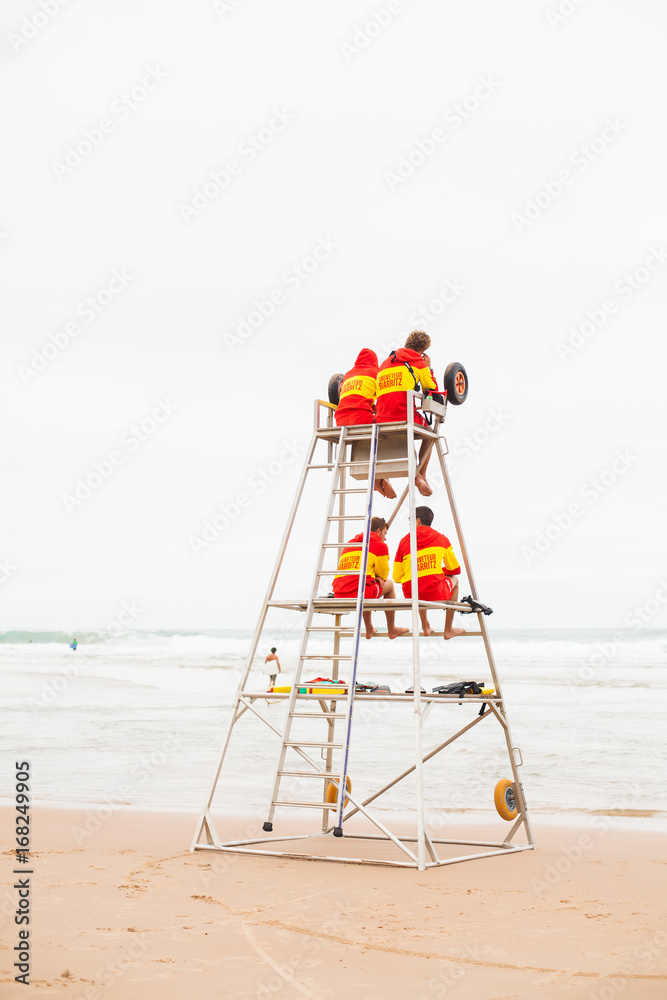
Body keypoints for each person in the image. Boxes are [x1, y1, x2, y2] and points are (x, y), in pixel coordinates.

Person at [376, 330, 439, 497]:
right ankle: (420, 475)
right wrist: (428, 368)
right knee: (429, 433)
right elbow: (432, 390)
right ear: (422, 350)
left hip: (380, 418)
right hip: (404, 416)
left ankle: (385, 478)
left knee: (396, 433)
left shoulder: (386, 362)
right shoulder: (418, 362)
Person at [393, 506, 466, 639]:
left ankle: (425, 626)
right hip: (435, 592)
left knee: (419, 581)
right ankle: (448, 629)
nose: (409, 524)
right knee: (454, 579)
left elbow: (397, 577)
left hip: (411, 593)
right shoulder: (442, 539)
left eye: (410, 520)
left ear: (418, 521)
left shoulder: (403, 542)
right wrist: (440, 571)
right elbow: (455, 570)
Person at [332, 516, 409, 640]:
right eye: (385, 533)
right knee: (389, 585)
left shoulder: (350, 543)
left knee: (364, 584)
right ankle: (392, 629)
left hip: (339, 594)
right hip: (357, 593)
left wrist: (372, 577)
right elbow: (384, 576)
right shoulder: (379, 545)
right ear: (378, 531)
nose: (385, 538)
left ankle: (369, 628)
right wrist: (377, 577)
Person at [334, 348, 396, 499]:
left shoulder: (348, 375)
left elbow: (353, 397)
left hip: (340, 420)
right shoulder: (375, 373)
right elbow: (383, 399)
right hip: (360, 417)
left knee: (369, 432)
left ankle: (378, 479)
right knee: (384, 431)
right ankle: (382, 478)